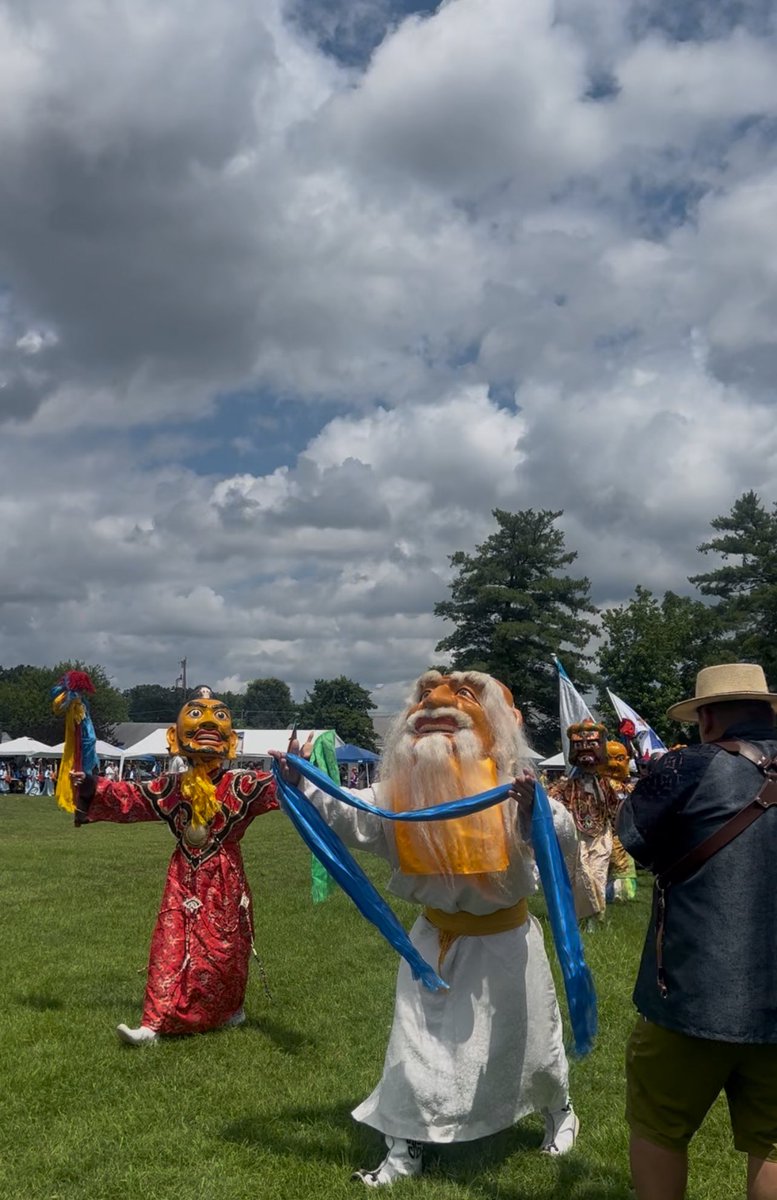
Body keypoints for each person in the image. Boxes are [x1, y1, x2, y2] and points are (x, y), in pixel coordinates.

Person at [275, 669, 580, 1187]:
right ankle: (404, 1149)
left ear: (504, 722)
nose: (434, 703)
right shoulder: (400, 793)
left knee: (527, 1045)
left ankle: (559, 1109)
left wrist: (535, 816)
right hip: (429, 944)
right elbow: (353, 818)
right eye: (424, 697)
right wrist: (303, 778)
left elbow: (563, 847)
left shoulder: (517, 792)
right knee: (415, 1048)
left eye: (464, 696)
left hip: (504, 944)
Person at [617, 663, 777, 1200]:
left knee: (660, 1128)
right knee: (773, 1143)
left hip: (687, 996)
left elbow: (633, 840)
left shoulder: (688, 766)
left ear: (706, 716)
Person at [70, 685, 278, 1046]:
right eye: (196, 714)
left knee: (227, 949)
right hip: (182, 877)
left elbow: (284, 790)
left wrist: (300, 771)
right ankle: (154, 1023)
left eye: (219, 715)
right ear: (175, 734)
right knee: (170, 943)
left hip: (225, 877)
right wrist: (90, 785)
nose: (210, 721)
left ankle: (229, 1009)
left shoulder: (241, 783)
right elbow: (130, 798)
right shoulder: (173, 788)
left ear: (232, 740)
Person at [548, 720, 620, 925]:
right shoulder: (569, 784)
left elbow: (614, 806)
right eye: (579, 746)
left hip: (600, 834)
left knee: (597, 874)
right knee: (582, 875)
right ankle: (582, 916)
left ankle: (596, 917)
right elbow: (554, 802)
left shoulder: (605, 783)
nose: (585, 751)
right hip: (578, 835)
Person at [603, 740, 637, 903]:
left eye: (620, 758)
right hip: (604, 831)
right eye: (609, 758)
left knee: (621, 863)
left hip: (621, 834)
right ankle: (614, 893)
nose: (614, 764)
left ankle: (618, 892)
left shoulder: (627, 788)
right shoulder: (600, 785)